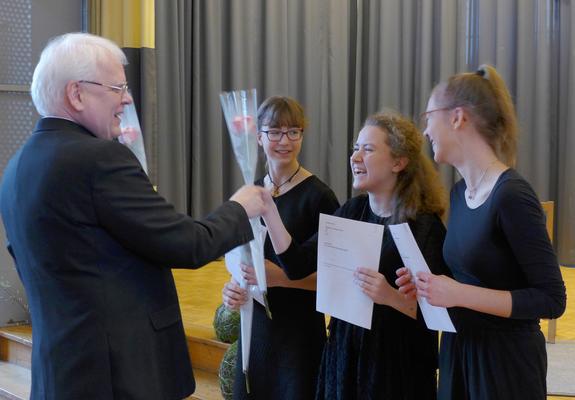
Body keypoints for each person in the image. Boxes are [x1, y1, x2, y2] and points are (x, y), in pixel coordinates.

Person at [0, 32, 270, 400]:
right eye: (117, 88)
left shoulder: (16, 169)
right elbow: (188, 244)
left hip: (59, 371)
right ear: (76, 94)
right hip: (118, 373)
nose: (127, 99)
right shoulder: (98, 159)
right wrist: (241, 207)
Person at [397, 64, 567, 400]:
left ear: (458, 117)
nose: (426, 129)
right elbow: (468, 276)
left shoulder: (512, 196)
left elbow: (552, 299)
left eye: (429, 115)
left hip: (505, 364)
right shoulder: (460, 194)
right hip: (460, 351)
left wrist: (458, 294)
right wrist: (426, 284)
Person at [260, 111, 449, 399]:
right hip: (345, 352)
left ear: (399, 162)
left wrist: (389, 296)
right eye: (355, 148)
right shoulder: (352, 211)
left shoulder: (424, 226)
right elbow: (297, 266)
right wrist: (270, 212)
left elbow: (439, 314)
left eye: (368, 149)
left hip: (395, 363)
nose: (355, 157)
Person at [221, 96, 340, 400]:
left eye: (293, 132)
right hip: (257, 332)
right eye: (274, 131)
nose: (284, 141)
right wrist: (234, 288)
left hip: (298, 335)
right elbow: (240, 258)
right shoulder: (251, 192)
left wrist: (278, 278)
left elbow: (334, 281)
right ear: (258, 137)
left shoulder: (320, 197)